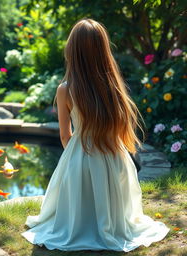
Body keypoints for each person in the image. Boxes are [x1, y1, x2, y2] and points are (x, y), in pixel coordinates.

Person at [21, 18, 169, 252]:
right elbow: (121, 126)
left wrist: (73, 161)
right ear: (104, 50)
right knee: (113, 198)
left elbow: (64, 135)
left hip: (81, 155)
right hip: (114, 156)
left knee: (74, 196)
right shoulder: (112, 85)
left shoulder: (65, 89)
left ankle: (82, 221)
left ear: (72, 51)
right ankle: (111, 223)